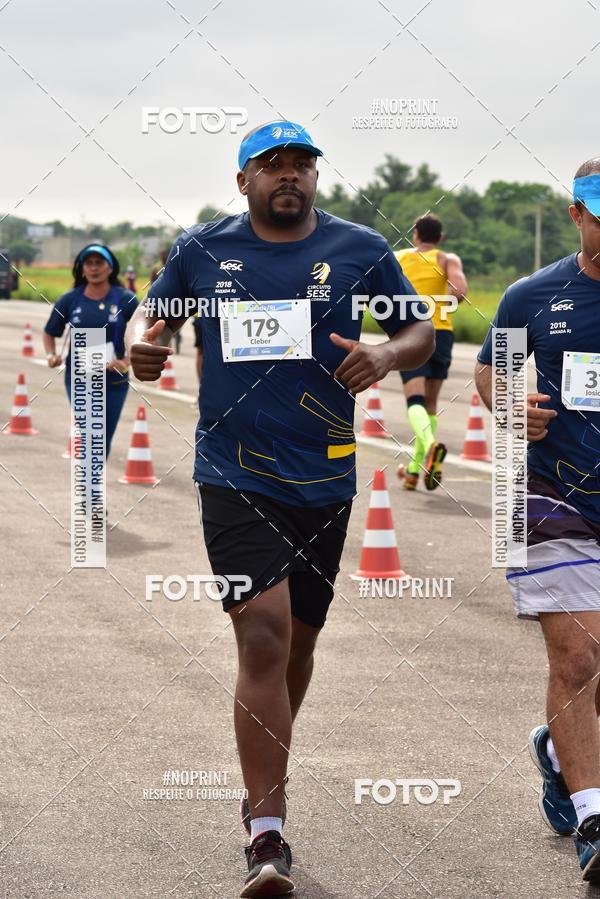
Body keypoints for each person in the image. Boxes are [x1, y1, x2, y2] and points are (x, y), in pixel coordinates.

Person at [125, 120, 434, 898]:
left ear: (316, 179)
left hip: (325, 479)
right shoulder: (203, 250)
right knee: (261, 637)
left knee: (296, 646)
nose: (288, 176)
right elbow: (151, 318)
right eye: (272, 166)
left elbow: (420, 331)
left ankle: (265, 770)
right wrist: (144, 343)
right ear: (243, 181)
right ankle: (268, 831)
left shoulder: (362, 249)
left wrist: (389, 354)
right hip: (233, 473)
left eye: (302, 165)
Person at [475, 158, 600, 883]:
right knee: (579, 657)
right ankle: (593, 816)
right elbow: (492, 370)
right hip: (557, 494)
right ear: (577, 214)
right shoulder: (535, 294)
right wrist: (509, 406)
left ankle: (556, 752)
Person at [43, 244, 138, 459]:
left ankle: (92, 487)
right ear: (82, 268)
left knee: (103, 438)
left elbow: (141, 333)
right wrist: (51, 355)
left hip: (115, 381)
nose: (94, 268)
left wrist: (126, 361)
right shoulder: (70, 299)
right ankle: (89, 488)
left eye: (99, 263)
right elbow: (50, 332)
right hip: (80, 379)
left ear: (110, 268)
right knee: (91, 434)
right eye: (89, 263)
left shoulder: (125, 299)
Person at [395, 214, 467, 490]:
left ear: (415, 235)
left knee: (414, 400)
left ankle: (432, 445)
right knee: (431, 405)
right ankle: (414, 472)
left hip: (412, 333)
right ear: (440, 238)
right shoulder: (447, 259)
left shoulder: (399, 258)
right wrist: (439, 307)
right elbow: (459, 290)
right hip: (442, 333)